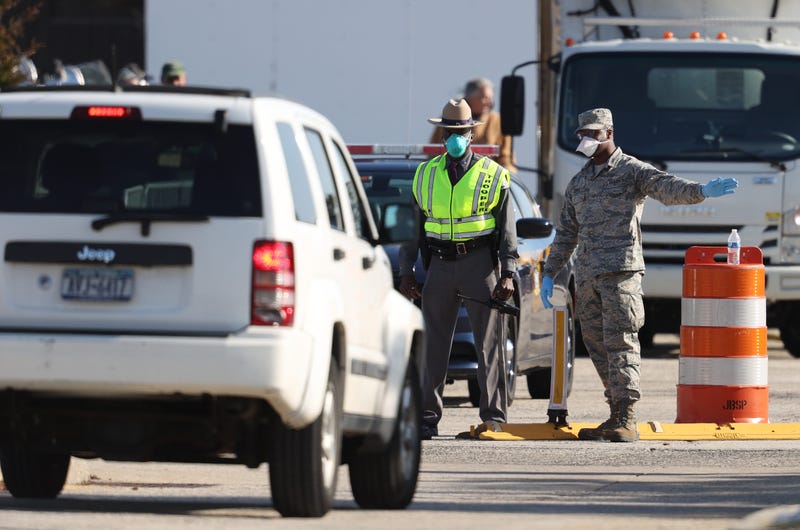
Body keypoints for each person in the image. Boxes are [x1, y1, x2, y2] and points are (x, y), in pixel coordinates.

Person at [540, 108, 739, 443]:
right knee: (596, 344)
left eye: (593, 133)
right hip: (588, 275)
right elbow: (567, 233)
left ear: (609, 132)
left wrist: (702, 191)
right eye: (583, 135)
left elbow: (666, 187)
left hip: (621, 272)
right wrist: (551, 272)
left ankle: (626, 418)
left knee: (621, 342)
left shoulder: (631, 171)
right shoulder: (579, 183)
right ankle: (615, 411)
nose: (587, 140)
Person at [399, 98, 519, 440]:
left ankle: (493, 419)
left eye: (461, 132)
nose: (455, 138)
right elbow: (413, 228)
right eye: (450, 132)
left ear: (471, 134)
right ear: (443, 136)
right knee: (432, 346)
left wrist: (508, 273)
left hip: (479, 265)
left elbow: (506, 229)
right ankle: (426, 418)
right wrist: (408, 271)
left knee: (489, 347)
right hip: (438, 266)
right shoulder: (425, 174)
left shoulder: (493, 175)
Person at [430, 78, 516, 172]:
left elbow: (507, 159)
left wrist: (505, 177)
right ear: (470, 98)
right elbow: (433, 154)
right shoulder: (448, 120)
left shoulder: (497, 121)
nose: (490, 102)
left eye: (490, 98)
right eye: (485, 98)